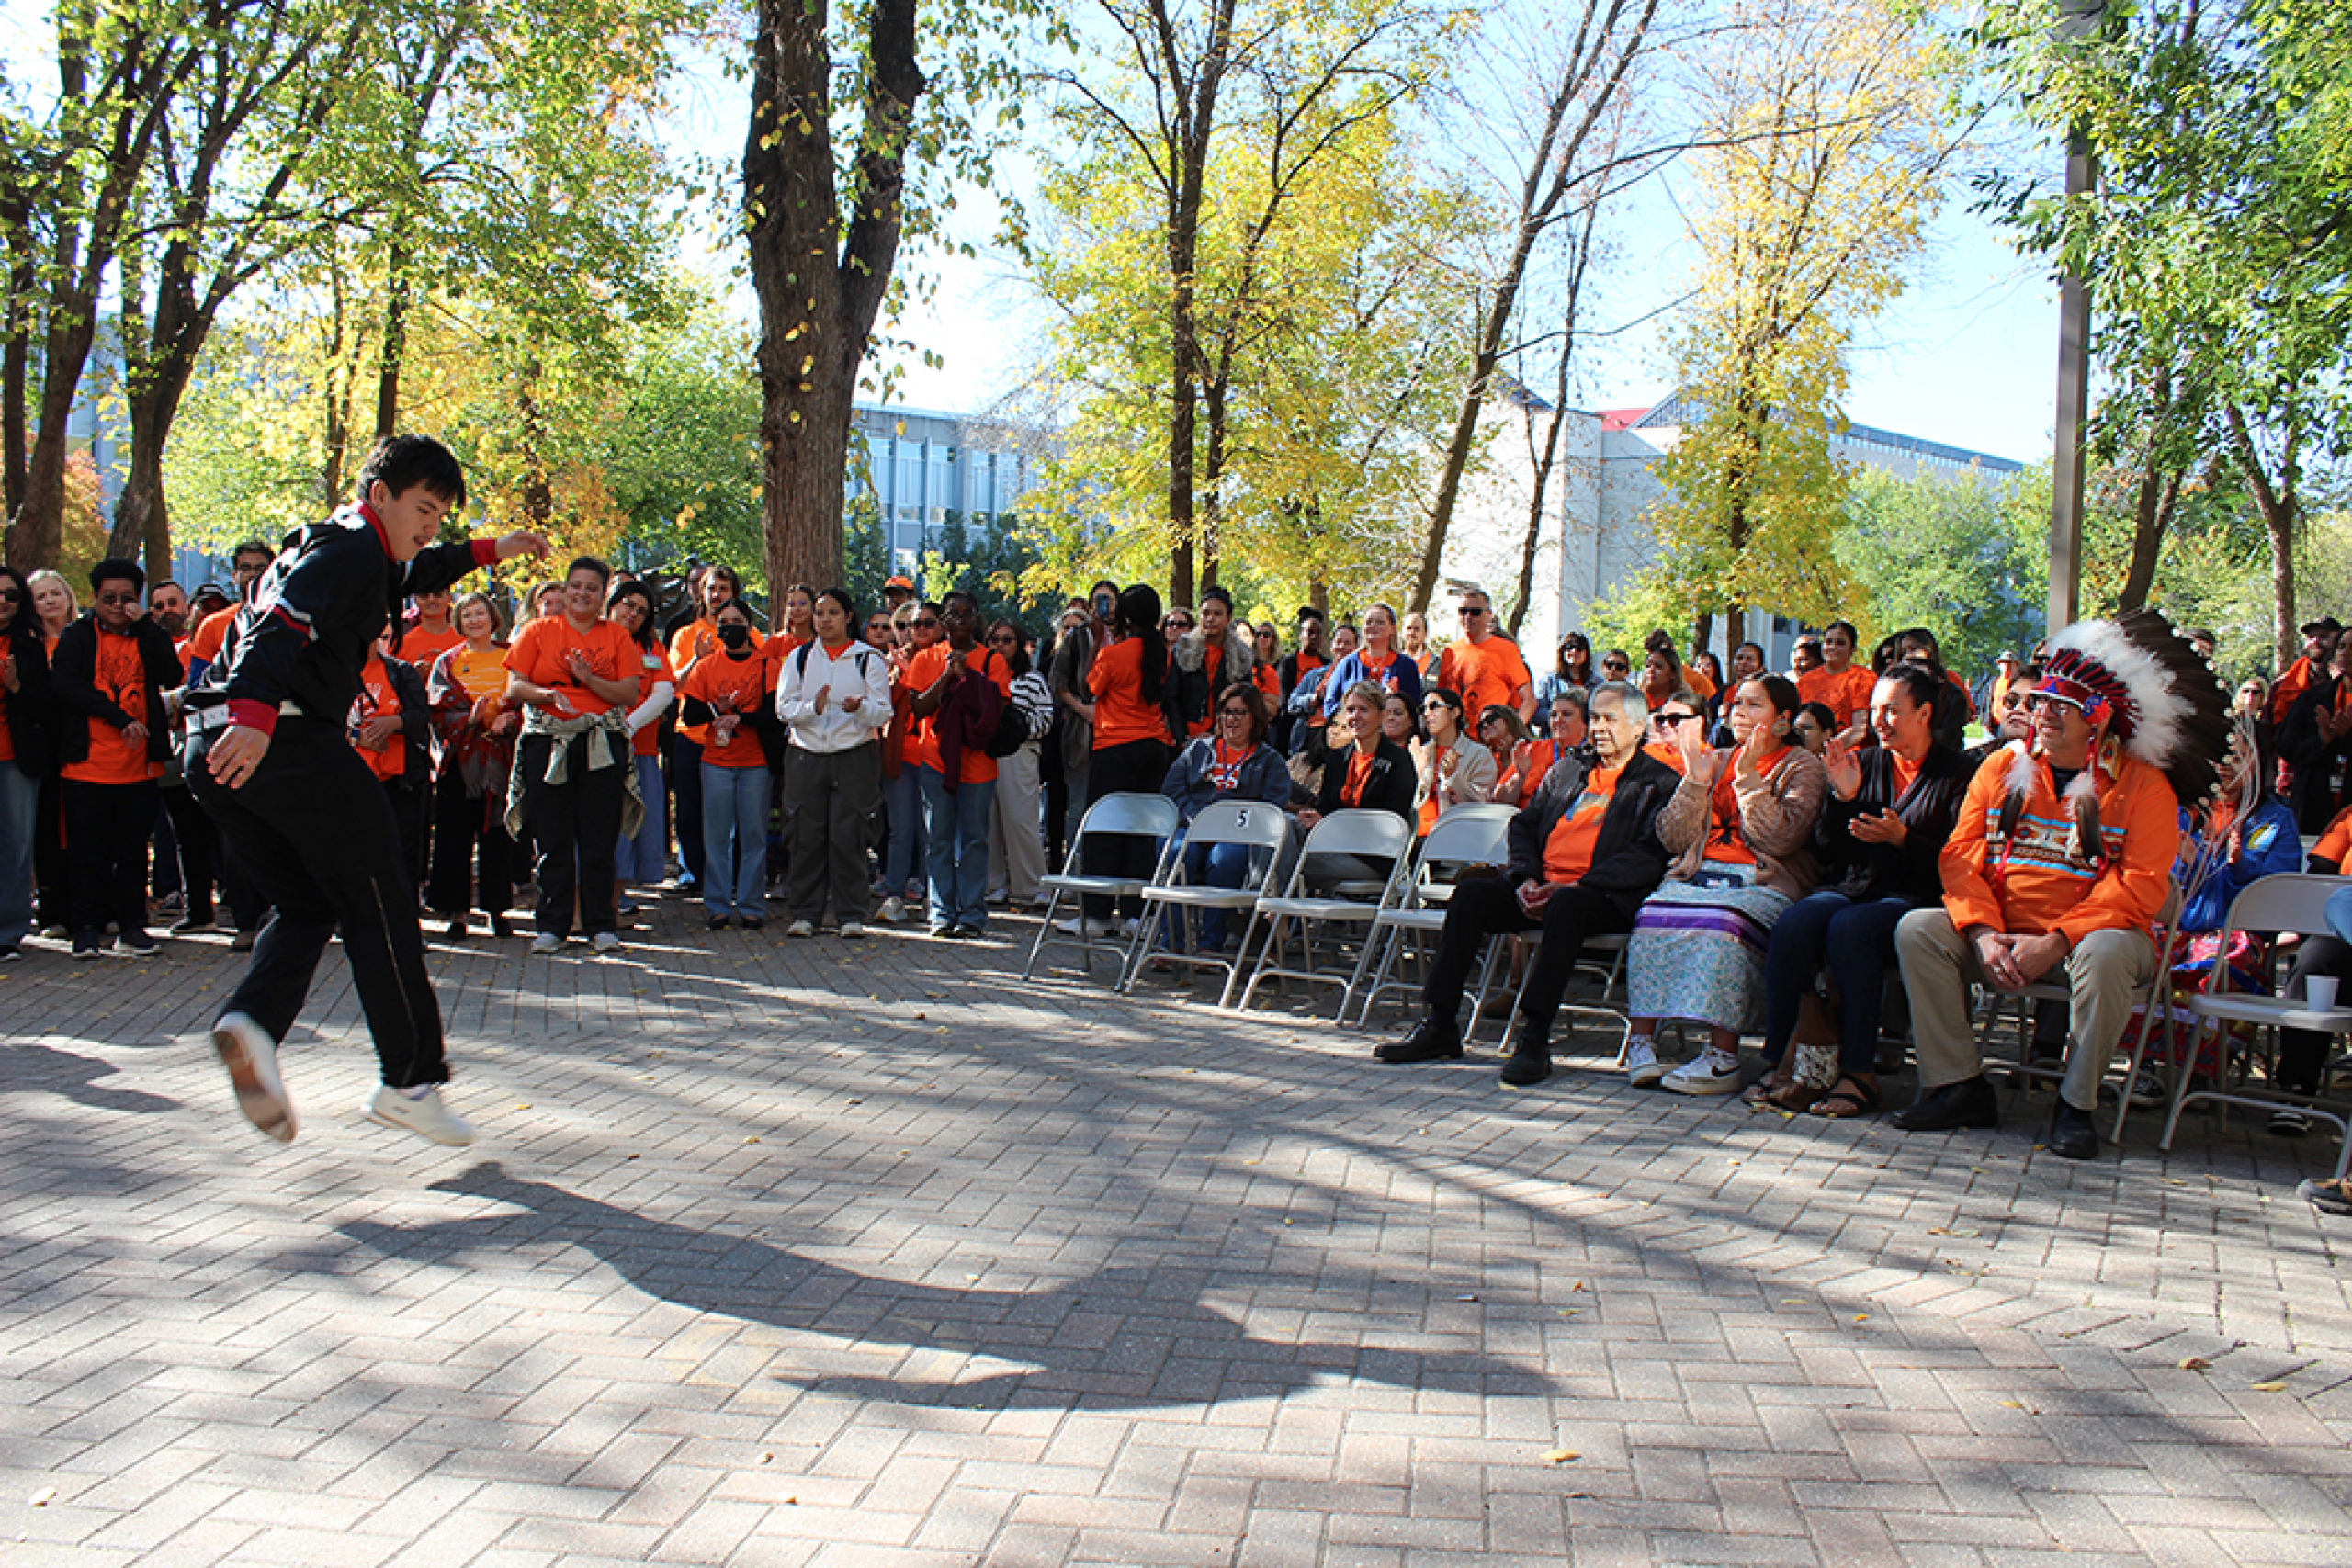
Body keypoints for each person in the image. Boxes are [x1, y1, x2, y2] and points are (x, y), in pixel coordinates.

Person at [187, 434, 548, 1145]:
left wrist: (490, 549)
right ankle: (410, 1080)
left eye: (441, 515)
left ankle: (252, 1023)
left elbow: (416, 569)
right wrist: (259, 715)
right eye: (423, 508)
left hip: (213, 747)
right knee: (383, 900)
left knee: (307, 900)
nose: (430, 526)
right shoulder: (350, 552)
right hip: (279, 738)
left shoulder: (349, 543)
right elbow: (284, 618)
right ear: (379, 494)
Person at [1892, 611, 2225, 1160]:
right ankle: (1958, 1086)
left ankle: (2077, 1105)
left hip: (2095, 939)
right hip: (2005, 932)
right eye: (2038, 702)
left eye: (2058, 707)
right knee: (1919, 930)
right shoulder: (2001, 768)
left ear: (2096, 719)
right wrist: (1981, 932)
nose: (2040, 714)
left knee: (2107, 950)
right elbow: (1960, 857)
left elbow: (2139, 886)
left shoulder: (2143, 786)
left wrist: (2058, 939)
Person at [1378, 682, 1679, 1084]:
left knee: (1566, 907)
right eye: (1594, 718)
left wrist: (1579, 885)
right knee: (1471, 895)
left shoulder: (1658, 783)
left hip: (1600, 896)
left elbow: (1650, 854)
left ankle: (1535, 1039)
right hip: (1539, 887)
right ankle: (1440, 1024)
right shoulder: (1568, 769)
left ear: (1639, 726)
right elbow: (1524, 826)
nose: (1599, 727)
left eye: (1610, 718)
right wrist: (1526, 877)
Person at [1750, 663, 1972, 1117]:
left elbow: (1959, 858)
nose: (1880, 721)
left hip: (1916, 898)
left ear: (1924, 712)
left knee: (1852, 928)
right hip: (1854, 887)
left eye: (1892, 710)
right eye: (1875, 710)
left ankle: (1859, 1072)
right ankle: (1781, 1060)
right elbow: (1827, 849)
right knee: (1795, 922)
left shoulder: (1959, 774)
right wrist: (1844, 800)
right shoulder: (1864, 763)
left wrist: (1903, 839)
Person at [1623, 673, 1827, 1093]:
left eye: (1754, 705)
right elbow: (1673, 840)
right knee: (1651, 914)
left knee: (1723, 924)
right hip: (1699, 874)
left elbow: (1781, 838)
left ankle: (1723, 1056)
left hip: (1761, 881)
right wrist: (1696, 783)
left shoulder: (1803, 766)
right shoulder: (1715, 758)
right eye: (1737, 704)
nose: (1739, 712)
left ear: (1783, 720)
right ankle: (1642, 1041)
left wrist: (1750, 777)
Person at [503, 555, 643, 953]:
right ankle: (552, 924)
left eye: (592, 588)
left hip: (600, 740)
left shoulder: (616, 636)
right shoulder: (537, 631)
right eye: (576, 585)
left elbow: (629, 693)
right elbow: (515, 686)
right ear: (565, 590)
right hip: (549, 741)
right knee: (552, 835)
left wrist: (588, 680)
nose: (582, 594)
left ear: (602, 595)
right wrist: (548, 694)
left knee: (599, 835)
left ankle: (601, 923)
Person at [50, 559, 184, 959]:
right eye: (109, 599)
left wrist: (145, 627)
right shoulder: (77, 637)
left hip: (138, 767)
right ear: (94, 599)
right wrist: (118, 717)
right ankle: (86, 930)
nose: (117, 606)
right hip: (86, 764)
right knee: (87, 852)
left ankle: (132, 928)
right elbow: (66, 686)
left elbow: (172, 675)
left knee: (132, 853)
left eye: (127, 599)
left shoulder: (147, 635)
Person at [776, 586, 892, 936]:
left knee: (850, 834)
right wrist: (814, 709)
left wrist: (861, 709)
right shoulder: (798, 658)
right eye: (819, 613)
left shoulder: (867, 658)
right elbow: (783, 708)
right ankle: (805, 914)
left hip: (853, 754)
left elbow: (883, 710)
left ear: (847, 617)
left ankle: (851, 914)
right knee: (806, 834)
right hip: (806, 754)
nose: (824, 620)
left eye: (832, 613)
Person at [908, 589, 1015, 937]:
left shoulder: (992, 661)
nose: (959, 621)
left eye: (967, 615)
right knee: (938, 838)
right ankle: (940, 912)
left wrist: (968, 681)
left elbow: (995, 710)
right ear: (943, 621)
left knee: (974, 840)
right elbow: (918, 708)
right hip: (935, 760)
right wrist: (947, 677)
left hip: (978, 765)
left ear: (976, 620)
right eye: (952, 615)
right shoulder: (926, 659)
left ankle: (971, 913)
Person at [1155, 682, 1290, 954]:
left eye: (1241, 713)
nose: (1232, 719)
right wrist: (1198, 819)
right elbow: (1171, 793)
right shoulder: (1197, 751)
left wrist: (1230, 823)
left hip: (1238, 834)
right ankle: (1172, 944)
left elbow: (1271, 808)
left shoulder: (1269, 760)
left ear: (1255, 718)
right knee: (1176, 852)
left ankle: (1210, 945)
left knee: (1225, 859)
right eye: (1227, 712)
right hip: (1192, 827)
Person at [1073, 584, 1175, 934]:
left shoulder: (1114, 654)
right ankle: (1137, 914)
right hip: (1153, 746)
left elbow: (1089, 688)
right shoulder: (1161, 653)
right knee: (1140, 831)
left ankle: (1098, 914)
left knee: (1104, 828)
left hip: (1115, 745)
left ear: (1126, 618)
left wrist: (1099, 642)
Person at [424, 592, 518, 940]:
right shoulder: (447, 663)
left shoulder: (511, 656)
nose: (474, 620)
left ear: (492, 618)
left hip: (500, 756)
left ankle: (496, 910)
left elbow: (525, 697)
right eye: (467, 616)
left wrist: (508, 721)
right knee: (454, 837)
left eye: (480, 614)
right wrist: (469, 719)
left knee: (496, 835)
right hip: (460, 761)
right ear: (459, 622)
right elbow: (436, 709)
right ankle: (457, 913)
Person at [675, 600, 774, 931]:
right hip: (715, 761)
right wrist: (717, 710)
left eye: (736, 621)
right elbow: (690, 714)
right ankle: (717, 904)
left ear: (748, 626)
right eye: (723, 621)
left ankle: (751, 904)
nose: (729, 627)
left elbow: (772, 716)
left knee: (753, 835)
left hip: (755, 762)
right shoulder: (706, 667)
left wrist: (739, 717)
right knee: (717, 836)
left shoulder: (766, 665)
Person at [666, 566, 752, 893]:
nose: (717, 595)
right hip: (692, 735)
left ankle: (732, 877)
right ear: (701, 593)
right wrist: (697, 661)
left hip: (734, 738)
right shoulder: (686, 635)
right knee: (689, 810)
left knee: (733, 814)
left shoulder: (749, 634)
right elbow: (674, 685)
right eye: (711, 588)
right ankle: (693, 875)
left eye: (724, 588)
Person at [605, 579, 675, 917]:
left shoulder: (651, 648)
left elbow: (663, 693)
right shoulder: (595, 639)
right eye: (628, 604)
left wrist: (628, 727)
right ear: (612, 602)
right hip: (597, 747)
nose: (632, 614)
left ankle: (617, 902)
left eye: (641, 611)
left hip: (640, 751)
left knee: (631, 828)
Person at [0, 565, 55, 962]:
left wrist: (17, 687)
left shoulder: (30, 645)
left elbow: (45, 707)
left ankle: (9, 931)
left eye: (11, 595)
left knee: (16, 845)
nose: (3, 601)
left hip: (16, 759)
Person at [982, 618, 1053, 909]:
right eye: (994, 639)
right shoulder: (980, 674)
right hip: (983, 754)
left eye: (1007, 639)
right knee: (987, 822)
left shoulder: (1032, 679)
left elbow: (1047, 717)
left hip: (1019, 753)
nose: (1000, 645)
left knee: (1020, 820)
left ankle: (1034, 885)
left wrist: (1017, 728)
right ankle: (992, 885)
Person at [355, 627, 433, 889]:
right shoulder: (334, 675)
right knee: (356, 851)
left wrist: (394, 722)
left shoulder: (400, 672)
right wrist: (356, 736)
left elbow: (421, 716)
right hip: (352, 777)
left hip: (400, 777)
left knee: (402, 850)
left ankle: (404, 913)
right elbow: (321, 724)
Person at [2278, 631, 2352, 832]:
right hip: (2314, 802)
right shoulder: (2312, 699)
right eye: (2342, 647)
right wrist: (2321, 740)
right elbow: (2285, 746)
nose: (2346, 653)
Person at [1437, 589, 1533, 725]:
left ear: (1488, 615)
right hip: (1456, 738)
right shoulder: (1450, 652)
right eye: (1462, 611)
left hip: (1489, 738)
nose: (1468, 617)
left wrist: (1511, 732)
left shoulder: (1506, 649)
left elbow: (1529, 701)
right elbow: (1440, 698)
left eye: (1475, 612)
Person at [1170, 586, 1256, 737]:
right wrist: (1180, 735)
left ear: (1228, 618)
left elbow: (1245, 699)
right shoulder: (1183, 649)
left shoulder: (1241, 654)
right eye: (1205, 613)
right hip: (1186, 733)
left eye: (1217, 614)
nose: (1210, 619)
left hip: (1225, 733)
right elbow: (1171, 697)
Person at [1414, 688, 1497, 836]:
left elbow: (1481, 802)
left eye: (1434, 706)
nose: (1427, 713)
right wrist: (1418, 773)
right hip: (1414, 838)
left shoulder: (1479, 754)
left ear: (1454, 713)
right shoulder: (1420, 753)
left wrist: (1452, 779)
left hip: (1455, 839)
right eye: (1423, 709)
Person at [1320, 603, 1423, 718]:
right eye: (1369, 622)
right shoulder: (1347, 664)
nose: (1373, 626)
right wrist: (1352, 710)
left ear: (1392, 628)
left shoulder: (1406, 666)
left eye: (1380, 622)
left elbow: (1415, 707)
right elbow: (1329, 706)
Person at [1796, 620, 1873, 741]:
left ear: (1853, 649)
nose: (1832, 647)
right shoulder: (1805, 681)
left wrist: (1826, 751)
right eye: (1828, 642)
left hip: (1849, 752)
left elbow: (1859, 729)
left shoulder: (1864, 678)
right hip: (1810, 751)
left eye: (1840, 643)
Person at [1508, 690, 1588, 807]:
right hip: (1526, 819)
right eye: (1553, 715)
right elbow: (1499, 800)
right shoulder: (1531, 750)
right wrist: (1519, 777)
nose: (1558, 720)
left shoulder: (1594, 755)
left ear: (1584, 723)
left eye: (1566, 714)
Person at [2270, 616, 2339, 727]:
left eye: (2324, 637)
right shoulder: (2282, 685)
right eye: (2311, 637)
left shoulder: (2347, 682)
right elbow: (2270, 729)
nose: (2315, 642)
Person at [1476, 704, 1533, 802]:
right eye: (1481, 725)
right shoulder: (1485, 759)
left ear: (1508, 719)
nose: (1485, 725)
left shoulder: (1533, 748)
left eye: (1491, 719)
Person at [1535, 632, 1596, 705]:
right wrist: (1560, 714)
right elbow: (1539, 711)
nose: (1574, 652)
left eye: (1579, 648)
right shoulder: (1548, 681)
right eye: (1569, 647)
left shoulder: (1597, 683)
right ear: (1562, 651)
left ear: (1586, 653)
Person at [1401, 610, 1440, 683]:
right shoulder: (1393, 663)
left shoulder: (1437, 665)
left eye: (1417, 629)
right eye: (1409, 628)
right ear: (1402, 632)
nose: (1412, 632)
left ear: (1425, 634)